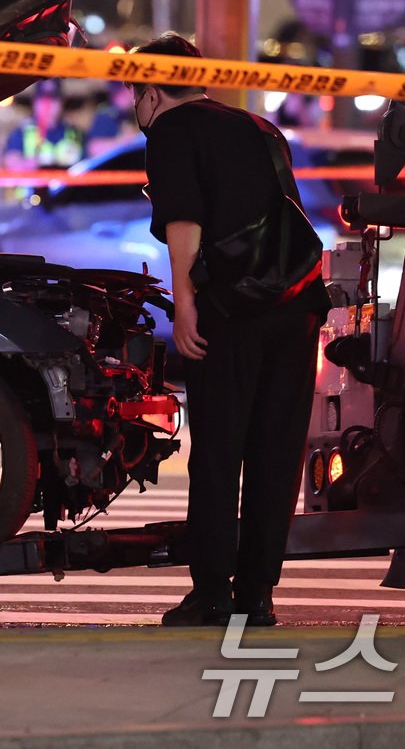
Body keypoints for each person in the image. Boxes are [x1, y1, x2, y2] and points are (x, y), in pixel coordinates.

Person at [132, 32, 330, 628]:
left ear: (148, 91)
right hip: (295, 307)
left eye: (134, 95)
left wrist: (185, 299)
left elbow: (184, 219)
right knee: (275, 451)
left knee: (219, 453)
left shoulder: (171, 132)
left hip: (231, 314)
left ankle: (213, 591)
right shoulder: (262, 129)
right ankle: (258, 594)